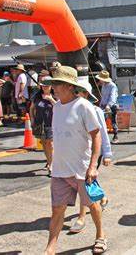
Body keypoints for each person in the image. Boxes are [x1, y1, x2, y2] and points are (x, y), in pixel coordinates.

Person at [42, 66, 108, 255]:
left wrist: (93, 165)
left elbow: (97, 136)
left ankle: (101, 235)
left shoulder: (83, 106)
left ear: (69, 86)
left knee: (93, 205)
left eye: (57, 84)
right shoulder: (56, 107)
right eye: (53, 83)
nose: (53, 87)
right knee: (57, 210)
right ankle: (50, 248)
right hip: (60, 169)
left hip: (81, 168)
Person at [69, 81, 112, 234]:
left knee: (83, 184)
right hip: (77, 154)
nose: (75, 94)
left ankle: (81, 217)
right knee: (87, 182)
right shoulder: (71, 109)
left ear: (86, 94)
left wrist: (107, 154)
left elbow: (102, 135)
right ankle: (102, 196)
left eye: (78, 91)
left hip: (92, 154)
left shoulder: (95, 110)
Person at [30, 76, 56, 176]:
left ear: (51, 86)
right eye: (43, 86)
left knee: (50, 144)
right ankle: (49, 163)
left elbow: (60, 107)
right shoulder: (37, 96)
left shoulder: (55, 95)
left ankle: (52, 165)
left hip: (52, 123)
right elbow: (32, 108)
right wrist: (32, 119)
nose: (45, 87)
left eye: (47, 85)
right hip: (40, 124)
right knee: (45, 144)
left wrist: (51, 100)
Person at [96, 71, 119, 143]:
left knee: (113, 121)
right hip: (103, 106)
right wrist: (101, 105)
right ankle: (101, 137)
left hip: (111, 106)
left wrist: (108, 105)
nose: (99, 80)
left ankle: (116, 136)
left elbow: (113, 97)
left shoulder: (112, 86)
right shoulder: (103, 85)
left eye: (100, 79)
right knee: (101, 121)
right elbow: (103, 97)